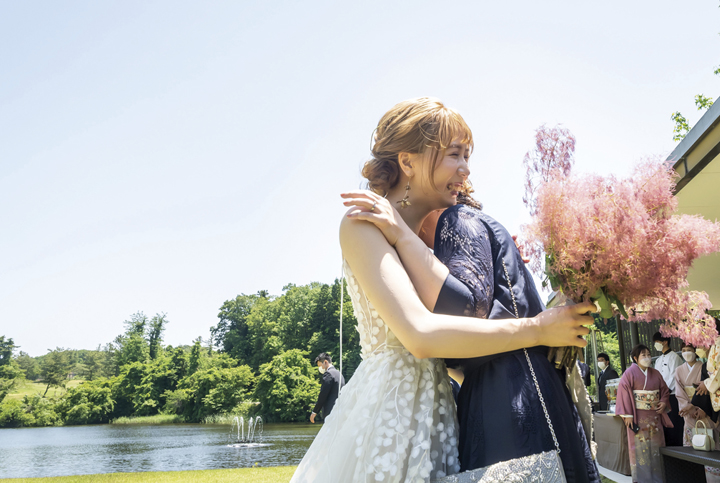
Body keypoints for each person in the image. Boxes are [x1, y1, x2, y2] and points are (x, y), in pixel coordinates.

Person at [289, 97, 594, 483]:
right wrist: (537, 329)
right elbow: (419, 336)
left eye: (467, 156)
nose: (466, 169)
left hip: (444, 417)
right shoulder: (362, 224)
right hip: (392, 417)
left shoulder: (435, 246)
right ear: (408, 161)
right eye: (455, 155)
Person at [616, 344, 672, 483]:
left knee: (657, 447)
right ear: (635, 358)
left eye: (648, 354)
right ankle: (642, 480)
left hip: (655, 417)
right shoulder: (629, 373)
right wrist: (627, 415)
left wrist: (664, 402)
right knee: (640, 448)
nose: (647, 358)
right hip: (638, 416)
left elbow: (664, 390)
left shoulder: (656, 373)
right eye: (643, 355)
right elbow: (623, 393)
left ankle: (659, 479)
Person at [674, 343, 720, 483]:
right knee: (691, 446)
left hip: (706, 409)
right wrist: (689, 407)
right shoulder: (679, 370)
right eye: (683, 351)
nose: (687, 353)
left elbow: (709, 387)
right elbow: (679, 393)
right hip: (689, 412)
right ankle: (693, 476)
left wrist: (700, 408)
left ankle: (713, 478)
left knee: (711, 444)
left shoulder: (706, 366)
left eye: (689, 350)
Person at [652, 331, 684, 446]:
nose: (655, 345)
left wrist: (665, 393)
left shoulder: (675, 358)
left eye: (657, 342)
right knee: (664, 425)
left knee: (674, 423)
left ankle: (678, 450)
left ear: (665, 342)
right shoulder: (658, 360)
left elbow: (674, 377)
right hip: (660, 397)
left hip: (672, 396)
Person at [309, 353, 345, 424]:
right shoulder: (339, 374)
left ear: (325, 362)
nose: (320, 368)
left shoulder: (329, 374)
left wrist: (315, 411)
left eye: (320, 365)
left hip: (330, 411)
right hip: (340, 409)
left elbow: (323, 394)